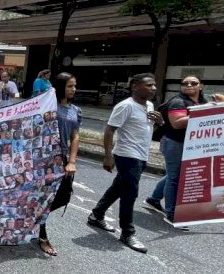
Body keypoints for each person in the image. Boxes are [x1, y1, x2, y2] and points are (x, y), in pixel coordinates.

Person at [88, 73, 163, 253]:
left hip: (142, 155)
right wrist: (107, 156)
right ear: (135, 86)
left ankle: (96, 215)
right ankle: (128, 233)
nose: (153, 88)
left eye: (154, 85)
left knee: (118, 188)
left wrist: (160, 122)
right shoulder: (125, 106)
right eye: (148, 85)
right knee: (130, 193)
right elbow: (109, 130)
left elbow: (148, 130)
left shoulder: (150, 105)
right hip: (127, 155)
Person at [145, 77, 224, 224]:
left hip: (192, 145)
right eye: (185, 83)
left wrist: (216, 106)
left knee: (173, 174)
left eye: (193, 83)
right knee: (175, 177)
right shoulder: (178, 102)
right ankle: (171, 213)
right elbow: (177, 123)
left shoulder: (202, 103)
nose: (189, 85)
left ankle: (153, 199)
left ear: (201, 86)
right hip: (174, 143)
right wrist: (203, 112)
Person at [39, 73, 81, 256]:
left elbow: (75, 136)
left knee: (63, 196)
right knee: (45, 195)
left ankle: (36, 219)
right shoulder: (49, 106)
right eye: (70, 86)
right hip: (46, 158)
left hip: (64, 158)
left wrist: (71, 161)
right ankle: (41, 234)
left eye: (75, 86)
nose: (73, 89)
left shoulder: (75, 110)